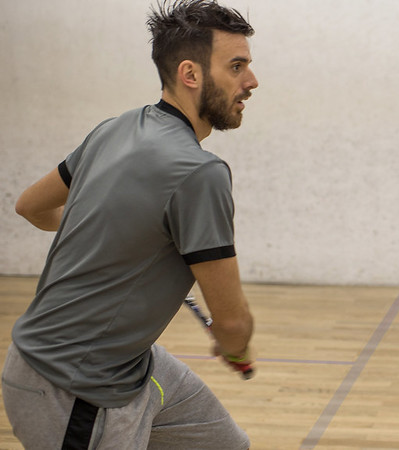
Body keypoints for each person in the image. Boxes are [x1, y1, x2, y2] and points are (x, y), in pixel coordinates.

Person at [3, 0, 259, 447]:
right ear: (190, 74)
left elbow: (31, 207)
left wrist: (116, 232)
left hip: (129, 364)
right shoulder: (201, 172)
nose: (251, 81)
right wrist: (235, 346)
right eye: (236, 66)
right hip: (71, 388)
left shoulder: (116, 128)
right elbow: (233, 323)